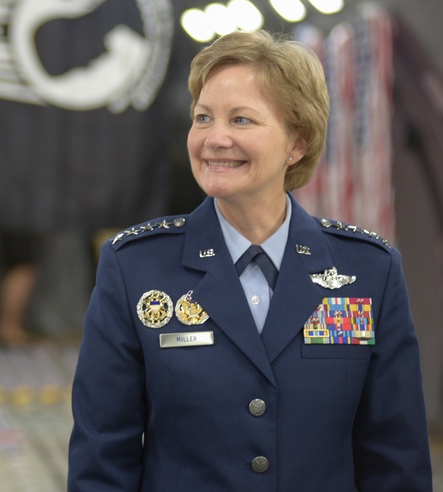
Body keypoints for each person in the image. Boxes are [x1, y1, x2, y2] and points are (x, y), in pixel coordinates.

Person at [68, 30, 431, 490]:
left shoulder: (368, 272)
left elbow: (396, 457)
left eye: (241, 120)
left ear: (296, 142)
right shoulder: (135, 269)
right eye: (203, 118)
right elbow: (102, 457)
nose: (215, 139)